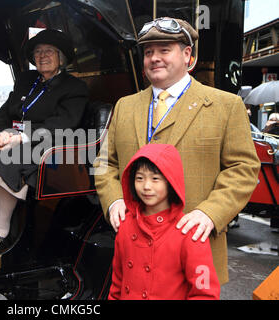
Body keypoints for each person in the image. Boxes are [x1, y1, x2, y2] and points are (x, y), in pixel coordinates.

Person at [93, 17, 260, 285]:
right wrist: (113, 200)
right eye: (148, 52)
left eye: (164, 50)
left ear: (187, 55)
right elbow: (104, 163)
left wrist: (210, 213)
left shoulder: (225, 106)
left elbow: (244, 169)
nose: (154, 58)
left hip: (195, 254)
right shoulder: (125, 106)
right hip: (135, 257)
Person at [0, 29, 88, 258]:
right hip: (10, 139)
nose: (42, 56)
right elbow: (4, 112)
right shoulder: (26, 81)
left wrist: (21, 137)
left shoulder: (74, 88)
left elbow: (63, 124)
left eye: (48, 51)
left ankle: (0, 230)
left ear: (61, 58)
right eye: (38, 52)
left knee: (5, 166)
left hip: (45, 146)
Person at [108, 143, 220, 300]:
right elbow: (117, 284)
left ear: (171, 181)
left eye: (155, 179)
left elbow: (205, 294)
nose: (146, 186)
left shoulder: (189, 232)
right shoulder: (125, 225)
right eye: (139, 178)